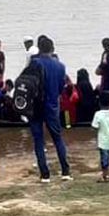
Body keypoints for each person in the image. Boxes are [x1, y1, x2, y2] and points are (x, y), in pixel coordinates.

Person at [29, 37, 71, 183]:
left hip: (35, 107)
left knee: (38, 140)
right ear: (52, 49)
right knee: (57, 138)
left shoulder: (34, 63)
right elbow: (60, 89)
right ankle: (65, 171)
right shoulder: (60, 66)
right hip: (52, 106)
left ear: (39, 49)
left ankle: (44, 174)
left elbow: (27, 83)